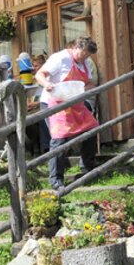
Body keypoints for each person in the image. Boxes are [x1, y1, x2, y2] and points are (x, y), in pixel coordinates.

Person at [35, 36, 100, 190]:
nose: (85, 57)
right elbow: (40, 74)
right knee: (59, 140)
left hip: (74, 103)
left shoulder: (84, 64)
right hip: (54, 102)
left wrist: (81, 89)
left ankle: (87, 168)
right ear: (76, 47)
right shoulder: (60, 58)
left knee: (91, 129)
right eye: (83, 53)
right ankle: (56, 180)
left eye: (88, 55)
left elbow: (90, 82)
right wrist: (47, 84)